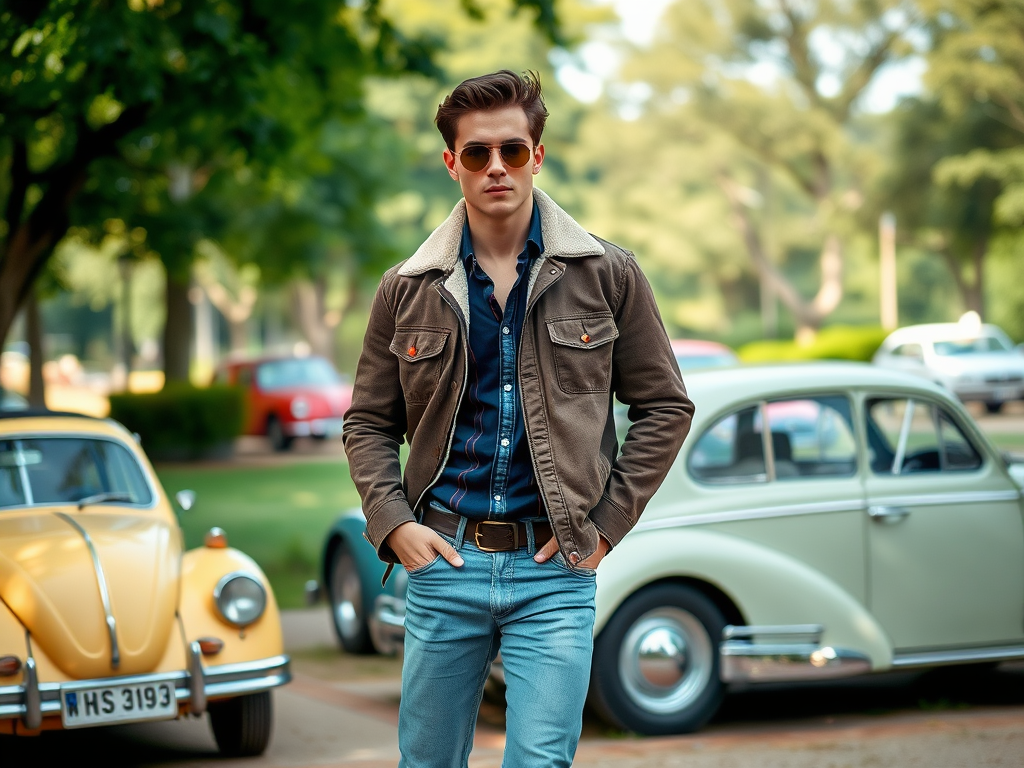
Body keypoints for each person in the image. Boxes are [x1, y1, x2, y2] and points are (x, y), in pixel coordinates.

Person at [342, 69, 694, 768]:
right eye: (477, 154)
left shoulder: (609, 275)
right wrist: (394, 525)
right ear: (452, 164)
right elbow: (368, 423)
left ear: (537, 154)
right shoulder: (406, 290)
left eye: (511, 149)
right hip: (445, 562)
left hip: (555, 570)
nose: (495, 167)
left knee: (541, 762)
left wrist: (607, 528)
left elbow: (665, 406)